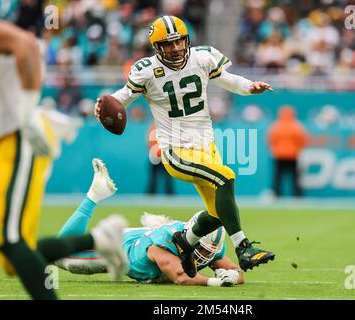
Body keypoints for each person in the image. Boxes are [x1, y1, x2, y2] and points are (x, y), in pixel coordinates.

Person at [95, 15, 275, 278]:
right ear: (157, 47)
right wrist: (101, 105)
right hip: (175, 149)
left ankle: (185, 242)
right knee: (226, 176)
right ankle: (244, 248)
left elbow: (226, 79)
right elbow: (121, 98)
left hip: (206, 146)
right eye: (168, 44)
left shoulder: (202, 57)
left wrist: (250, 87)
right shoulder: (146, 70)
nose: (176, 48)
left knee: (217, 214)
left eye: (179, 41)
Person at [0, 3, 127, 300]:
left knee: (11, 240)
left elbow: (26, 45)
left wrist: (25, 113)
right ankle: (98, 238)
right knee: (11, 255)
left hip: (18, 132)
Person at [55, 159, 244, 287]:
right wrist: (216, 281)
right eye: (201, 250)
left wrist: (233, 275)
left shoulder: (208, 245)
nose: (204, 256)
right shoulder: (164, 246)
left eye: (208, 252)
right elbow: (181, 277)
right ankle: (95, 194)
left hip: (143, 236)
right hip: (121, 248)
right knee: (60, 255)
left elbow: (237, 273)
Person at [267, 105, 308, 197]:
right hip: (293, 155)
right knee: (295, 178)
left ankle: (277, 194)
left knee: (278, 177)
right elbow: (302, 140)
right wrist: (297, 150)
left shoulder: (276, 126)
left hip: (279, 155)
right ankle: (298, 195)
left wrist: (275, 150)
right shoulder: (297, 126)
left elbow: (271, 140)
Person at [146, 123, 174, 195]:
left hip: (165, 157)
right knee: (153, 178)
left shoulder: (166, 127)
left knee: (168, 179)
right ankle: (150, 195)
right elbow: (149, 141)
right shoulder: (154, 126)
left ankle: (170, 196)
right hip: (156, 157)